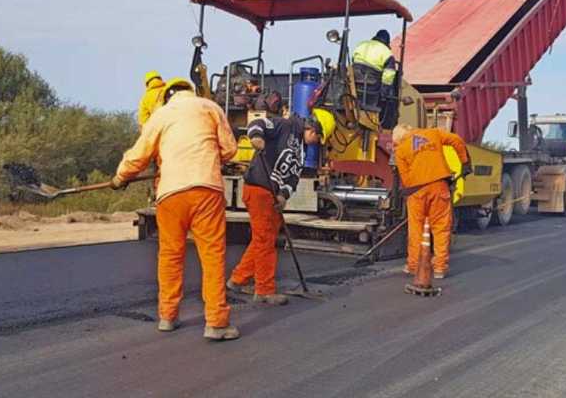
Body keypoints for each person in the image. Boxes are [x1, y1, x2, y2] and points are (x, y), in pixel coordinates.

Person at [111, 78, 241, 341]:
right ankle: (216, 323)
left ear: (168, 96)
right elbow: (229, 150)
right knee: (212, 255)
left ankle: (167, 316)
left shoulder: (161, 115)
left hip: (170, 193)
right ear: (189, 92)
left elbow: (140, 153)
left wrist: (120, 177)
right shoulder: (210, 107)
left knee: (170, 254)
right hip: (206, 189)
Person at [226, 108, 335, 305]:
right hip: (258, 188)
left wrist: (283, 195)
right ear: (312, 127)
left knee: (265, 235)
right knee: (265, 240)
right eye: (318, 137)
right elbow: (257, 124)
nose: (317, 142)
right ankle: (264, 290)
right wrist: (257, 137)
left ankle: (238, 278)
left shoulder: (300, 150)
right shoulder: (285, 126)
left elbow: (292, 177)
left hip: (272, 194)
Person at [392, 124, 470, 287]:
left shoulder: (400, 150)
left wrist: (408, 192)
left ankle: (413, 266)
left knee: (416, 229)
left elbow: (405, 179)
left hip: (417, 193)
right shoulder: (433, 133)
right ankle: (440, 268)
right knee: (441, 228)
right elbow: (456, 140)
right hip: (439, 187)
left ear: (399, 138)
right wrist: (464, 162)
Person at [353, 29, 400, 129]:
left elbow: (353, 62)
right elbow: (389, 75)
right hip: (372, 86)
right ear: (387, 42)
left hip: (354, 86)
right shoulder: (387, 52)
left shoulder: (361, 45)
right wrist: (384, 92)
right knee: (390, 99)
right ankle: (385, 125)